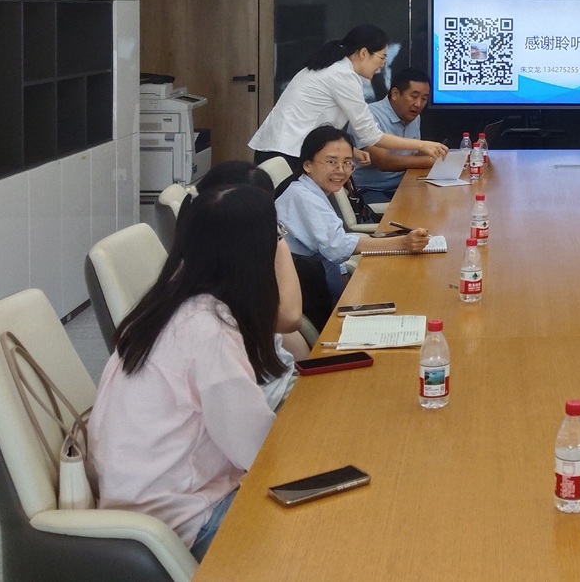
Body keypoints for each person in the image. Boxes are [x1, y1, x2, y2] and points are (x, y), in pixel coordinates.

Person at [89, 184, 282, 560]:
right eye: (275, 235)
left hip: (140, 499)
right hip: (185, 520)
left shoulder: (164, 304)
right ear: (255, 253)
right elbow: (257, 450)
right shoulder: (208, 328)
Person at [249, 25, 449, 172]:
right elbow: (371, 136)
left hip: (281, 148)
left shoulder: (334, 68)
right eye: (381, 57)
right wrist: (422, 145)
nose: (382, 65)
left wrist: (352, 150)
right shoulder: (343, 75)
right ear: (364, 53)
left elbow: (321, 123)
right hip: (285, 152)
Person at [190, 161, 308, 407]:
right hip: (263, 396)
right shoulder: (209, 289)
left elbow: (287, 337)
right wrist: (278, 239)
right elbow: (290, 318)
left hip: (276, 379)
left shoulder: (226, 259)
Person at [276, 125, 431, 298]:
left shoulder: (310, 189)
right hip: (307, 290)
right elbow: (337, 247)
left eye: (347, 162)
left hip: (320, 277)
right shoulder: (303, 197)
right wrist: (402, 243)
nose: (341, 170)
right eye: (331, 162)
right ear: (307, 165)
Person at [350, 68, 434, 203]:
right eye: (414, 96)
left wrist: (438, 155)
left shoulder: (414, 117)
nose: (418, 104)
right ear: (395, 94)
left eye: (424, 98)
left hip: (403, 184)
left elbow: (413, 154)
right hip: (371, 189)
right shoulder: (369, 116)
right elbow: (383, 162)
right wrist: (431, 161)